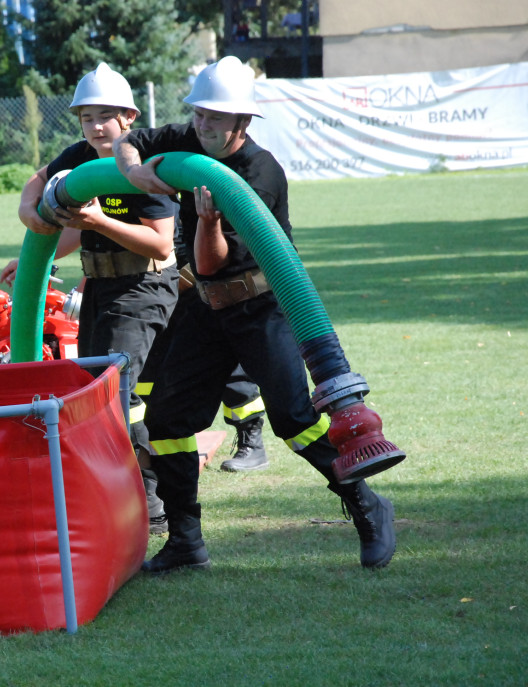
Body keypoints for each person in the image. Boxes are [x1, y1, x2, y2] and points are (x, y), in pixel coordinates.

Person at [114, 56, 396, 572]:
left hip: (262, 305)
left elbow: (211, 260)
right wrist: (133, 170)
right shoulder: (189, 138)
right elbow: (128, 141)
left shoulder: (261, 173)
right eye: (199, 115)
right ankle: (185, 542)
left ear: (242, 123)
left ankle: (368, 508)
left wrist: (206, 222)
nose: (202, 126)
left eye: (215, 119)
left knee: (295, 419)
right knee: (169, 419)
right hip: (204, 307)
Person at [6, 63, 180, 477]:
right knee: (89, 383)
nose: (96, 127)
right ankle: (110, 484)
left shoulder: (146, 162)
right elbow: (40, 180)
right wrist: (31, 225)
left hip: (145, 284)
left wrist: (100, 222)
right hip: (100, 286)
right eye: (87, 117)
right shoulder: (80, 156)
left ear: (129, 117)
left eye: (105, 116)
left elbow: (159, 243)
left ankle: (148, 496)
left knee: (113, 388)